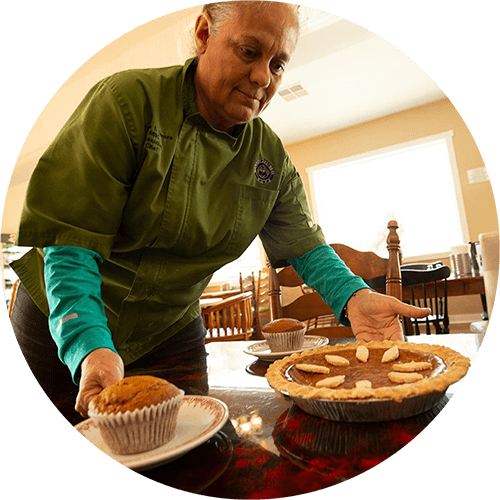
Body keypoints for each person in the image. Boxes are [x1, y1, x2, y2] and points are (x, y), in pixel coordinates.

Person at [10, 1, 429, 423]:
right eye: (250, 52)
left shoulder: (270, 157)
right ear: (204, 34)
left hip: (170, 332)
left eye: (278, 64)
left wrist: (354, 296)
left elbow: (306, 246)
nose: (264, 77)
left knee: (195, 453)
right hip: (65, 319)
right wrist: (88, 344)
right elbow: (70, 243)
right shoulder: (126, 103)